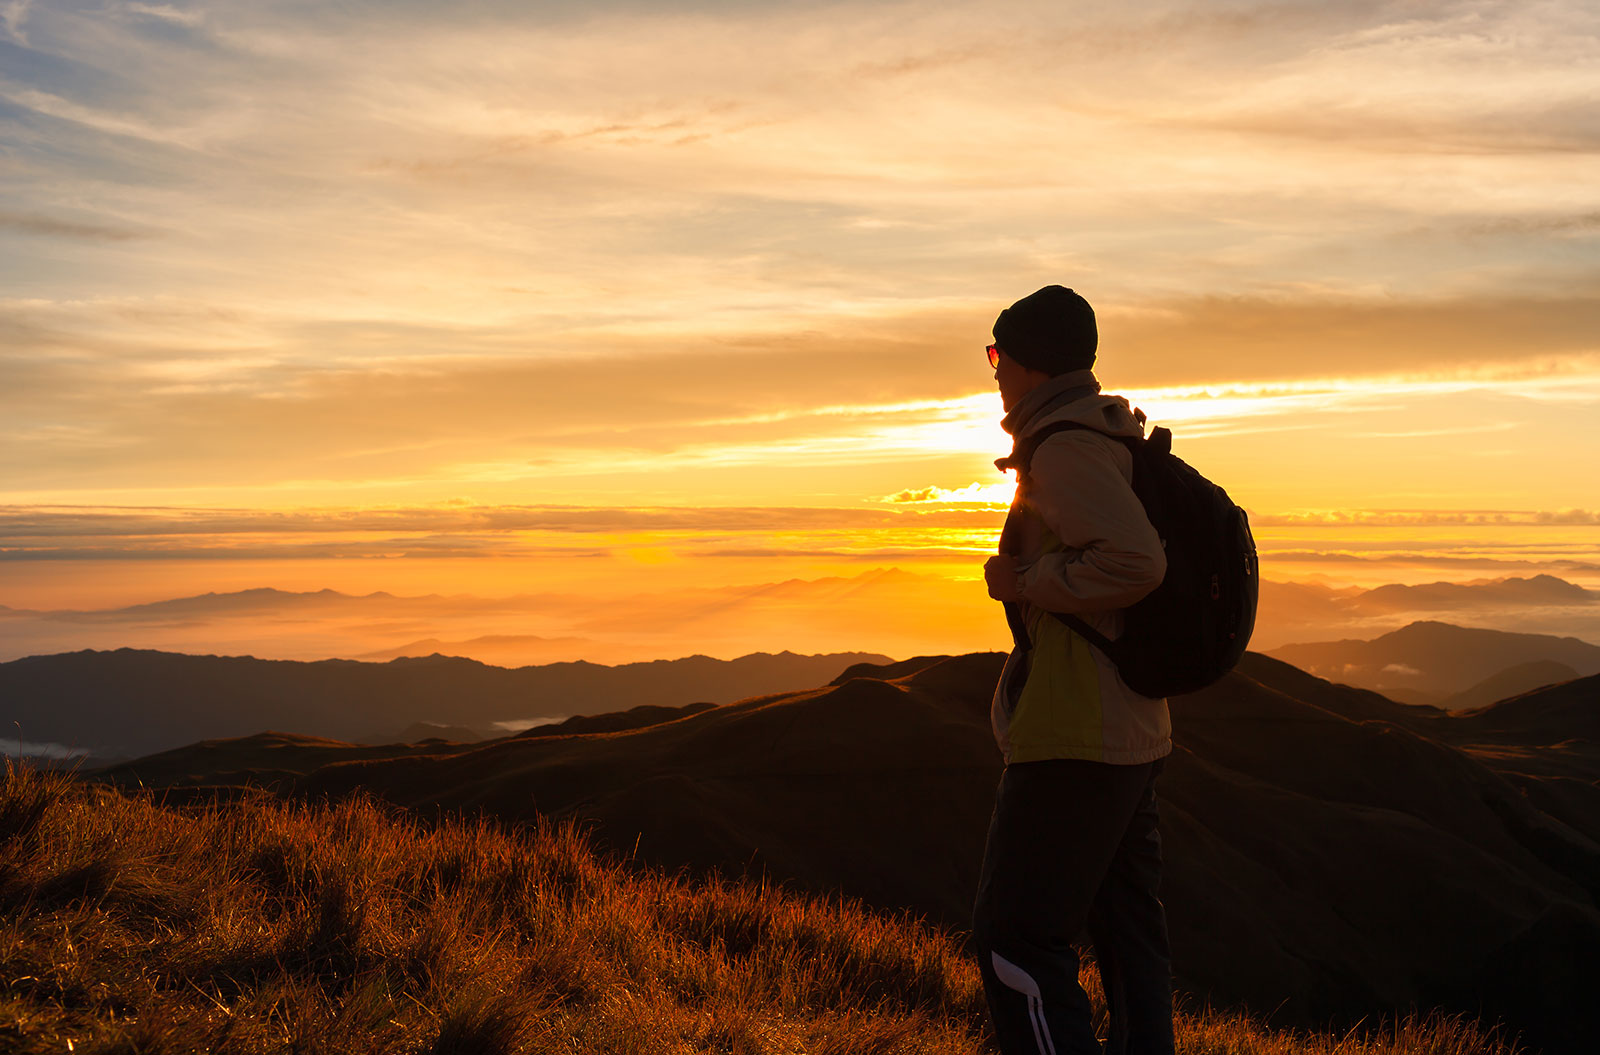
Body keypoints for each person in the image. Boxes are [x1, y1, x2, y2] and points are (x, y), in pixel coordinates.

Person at [973, 285, 1176, 1055]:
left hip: (1076, 735)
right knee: (1128, 934)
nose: (994, 370)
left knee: (1015, 937)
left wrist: (1024, 581)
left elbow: (1136, 563)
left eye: (998, 354)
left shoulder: (1063, 448)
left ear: (1030, 363)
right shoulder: (1101, 432)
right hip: (1128, 726)